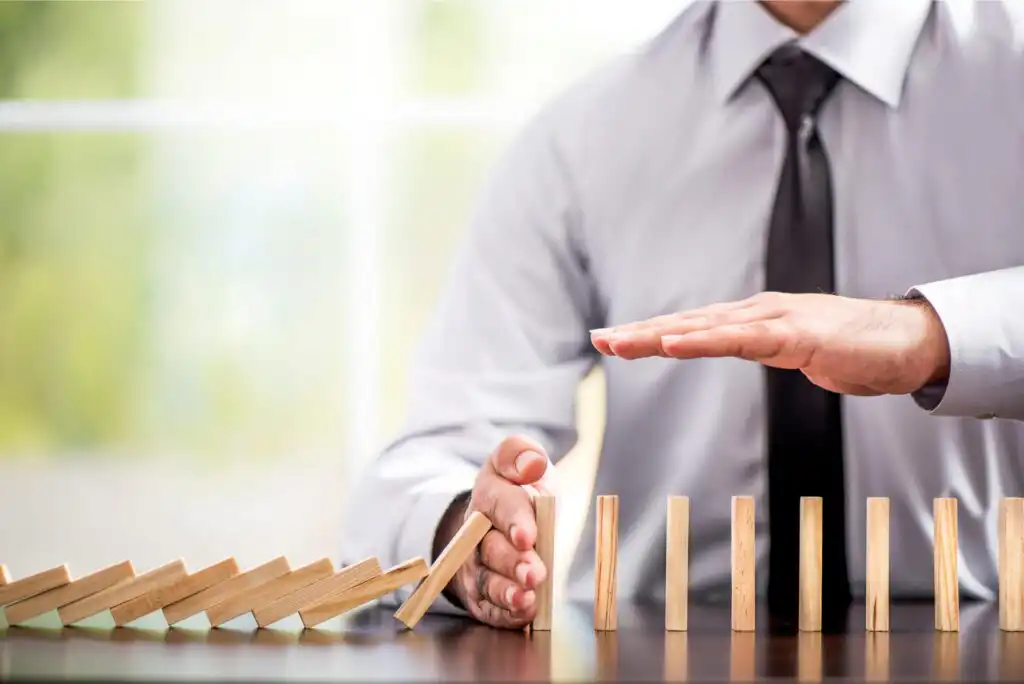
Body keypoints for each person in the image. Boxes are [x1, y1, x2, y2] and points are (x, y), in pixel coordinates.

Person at [341, 0, 1024, 631]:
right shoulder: (580, 138)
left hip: (992, 635)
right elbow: (434, 462)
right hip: (650, 646)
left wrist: (933, 337)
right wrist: (472, 534)